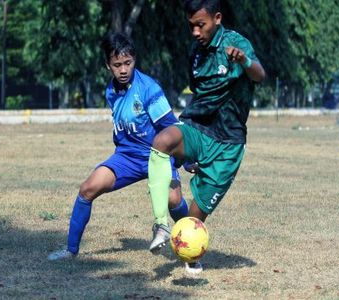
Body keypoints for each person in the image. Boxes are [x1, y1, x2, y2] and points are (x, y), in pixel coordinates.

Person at [147, 0, 266, 275]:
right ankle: (161, 224)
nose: (196, 32)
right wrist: (189, 154)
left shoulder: (237, 43)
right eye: (192, 26)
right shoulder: (195, 52)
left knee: (193, 220)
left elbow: (259, 75)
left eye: (201, 25)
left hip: (228, 143)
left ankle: (191, 255)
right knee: (161, 141)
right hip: (198, 127)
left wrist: (245, 61)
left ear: (217, 19)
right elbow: (200, 94)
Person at [47, 32, 189, 260]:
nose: (123, 70)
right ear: (107, 65)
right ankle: (70, 251)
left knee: (173, 200)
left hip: (157, 155)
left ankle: (192, 249)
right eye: (117, 65)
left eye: (128, 63)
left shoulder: (149, 89)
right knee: (87, 189)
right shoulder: (110, 91)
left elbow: (170, 126)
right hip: (127, 157)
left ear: (134, 60)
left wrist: (188, 158)